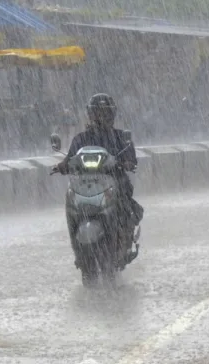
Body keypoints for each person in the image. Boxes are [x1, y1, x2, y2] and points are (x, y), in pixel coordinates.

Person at [56, 93, 144, 268]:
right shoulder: (80, 139)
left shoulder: (121, 138)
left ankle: (124, 238)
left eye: (105, 113)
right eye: (97, 113)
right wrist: (62, 165)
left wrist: (126, 163)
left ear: (112, 115)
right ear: (90, 114)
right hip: (84, 186)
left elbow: (131, 159)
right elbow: (70, 158)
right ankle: (77, 248)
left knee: (126, 205)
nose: (101, 117)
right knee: (71, 206)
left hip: (114, 183)